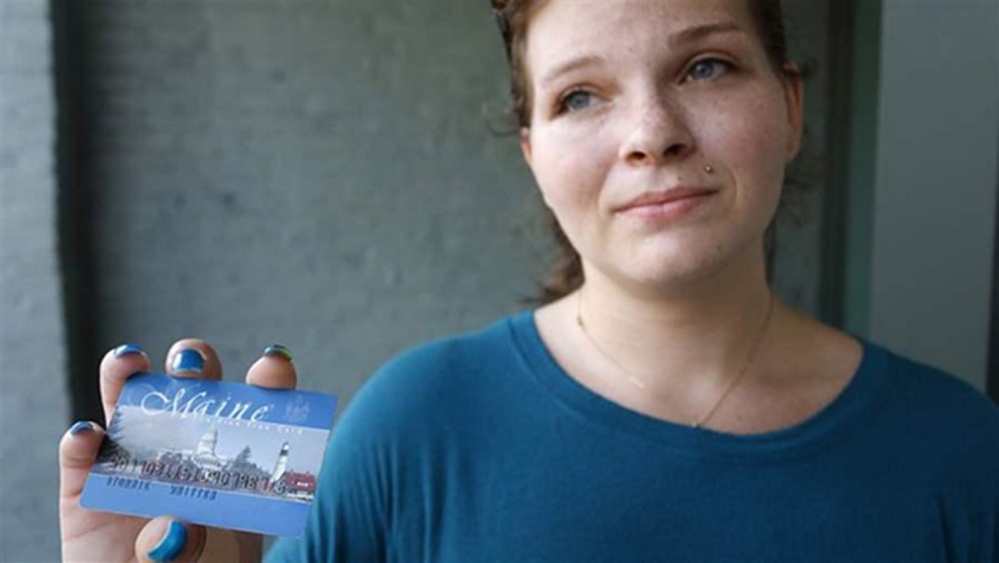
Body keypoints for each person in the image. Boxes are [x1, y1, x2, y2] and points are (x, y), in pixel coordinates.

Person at [60, 0, 999, 561]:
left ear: (789, 107)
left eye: (706, 66)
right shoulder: (411, 423)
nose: (651, 134)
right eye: (580, 95)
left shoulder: (961, 450)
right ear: (532, 152)